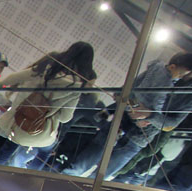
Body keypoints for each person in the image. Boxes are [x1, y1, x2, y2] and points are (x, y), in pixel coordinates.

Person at [66, 52, 192, 180]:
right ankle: (66, 181)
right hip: (126, 122)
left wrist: (149, 115)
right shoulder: (161, 73)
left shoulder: (185, 93)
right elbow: (127, 90)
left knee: (99, 174)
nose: (184, 76)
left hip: (139, 135)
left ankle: (74, 186)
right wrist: (136, 109)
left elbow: (170, 124)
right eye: (184, 73)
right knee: (85, 165)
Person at [0, 42, 95, 166]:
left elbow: (17, 77)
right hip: (35, 127)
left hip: (17, 117)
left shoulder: (49, 68)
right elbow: (65, 117)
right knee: (7, 155)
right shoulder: (76, 88)